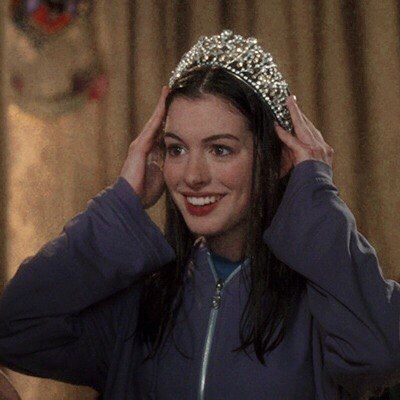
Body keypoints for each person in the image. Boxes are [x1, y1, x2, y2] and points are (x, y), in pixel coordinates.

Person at [0, 30, 399, 400]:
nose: (192, 176)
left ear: (278, 159)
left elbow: (382, 356)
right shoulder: (139, 303)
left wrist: (313, 191)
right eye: (176, 149)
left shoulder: (328, 301)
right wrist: (123, 202)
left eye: (220, 149)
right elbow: (14, 327)